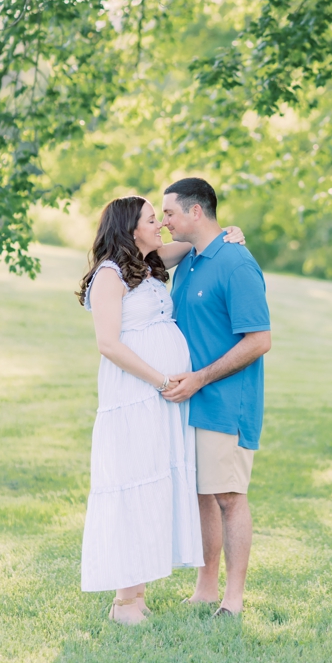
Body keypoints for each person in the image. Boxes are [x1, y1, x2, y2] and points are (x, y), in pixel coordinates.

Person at [78, 196, 244, 624]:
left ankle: (138, 595)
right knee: (132, 484)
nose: (162, 225)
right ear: (131, 229)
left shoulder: (149, 264)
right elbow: (108, 344)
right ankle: (125, 602)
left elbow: (195, 243)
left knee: (151, 485)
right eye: (153, 220)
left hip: (161, 400)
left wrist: (228, 235)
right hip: (136, 396)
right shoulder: (110, 275)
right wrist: (160, 380)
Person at [160, 177, 271, 618]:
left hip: (225, 402)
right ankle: (206, 587)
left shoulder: (236, 263)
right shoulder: (190, 259)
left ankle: (234, 599)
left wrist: (201, 378)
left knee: (228, 496)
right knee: (202, 495)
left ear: (195, 212)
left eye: (169, 213)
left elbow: (259, 340)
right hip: (191, 400)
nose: (164, 220)